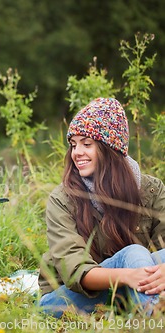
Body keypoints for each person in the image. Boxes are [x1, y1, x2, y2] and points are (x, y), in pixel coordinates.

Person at [38, 97, 165, 318]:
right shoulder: (63, 198)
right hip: (68, 299)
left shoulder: (152, 189)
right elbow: (76, 271)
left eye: (87, 144)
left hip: (129, 289)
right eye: (74, 144)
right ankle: (154, 321)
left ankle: (147, 312)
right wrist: (127, 275)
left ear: (110, 149)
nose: (76, 152)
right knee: (135, 253)